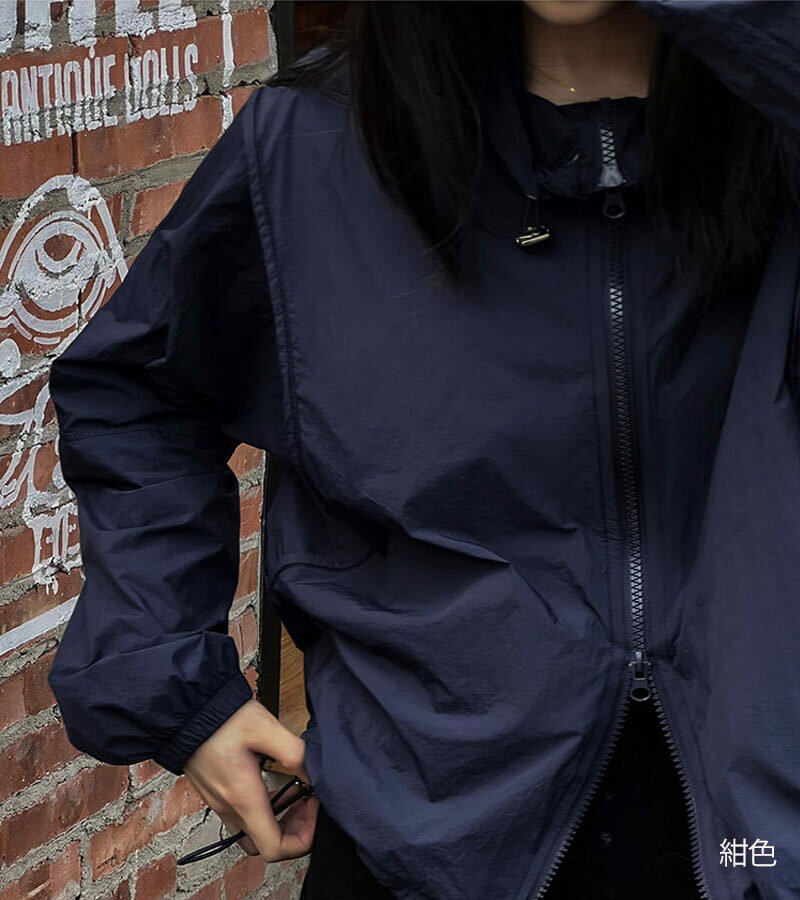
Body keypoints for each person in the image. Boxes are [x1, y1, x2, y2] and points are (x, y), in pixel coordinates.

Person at [46, 1, 800, 898]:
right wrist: (175, 681)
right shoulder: (319, 143)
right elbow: (140, 388)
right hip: (426, 833)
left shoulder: (778, 130)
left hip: (763, 831)